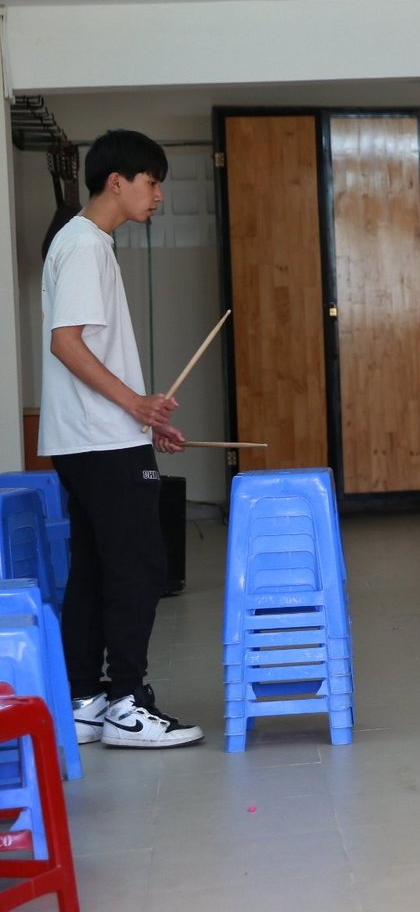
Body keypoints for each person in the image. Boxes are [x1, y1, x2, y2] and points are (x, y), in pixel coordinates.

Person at [39, 129, 204, 749]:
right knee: (139, 565)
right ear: (117, 182)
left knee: (95, 567)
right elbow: (66, 343)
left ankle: (85, 699)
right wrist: (135, 405)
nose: (158, 196)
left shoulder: (82, 242)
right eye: (151, 182)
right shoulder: (85, 245)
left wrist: (144, 418)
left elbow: (85, 348)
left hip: (90, 438)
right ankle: (129, 703)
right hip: (100, 439)